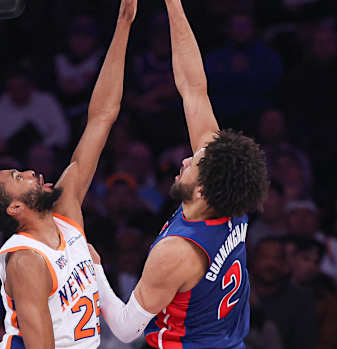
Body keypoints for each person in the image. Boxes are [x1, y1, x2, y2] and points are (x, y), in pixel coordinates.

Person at [87, 0, 269, 347]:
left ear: (202, 192)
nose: (185, 160)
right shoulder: (229, 193)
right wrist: (173, 5)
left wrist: (94, 269)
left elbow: (126, 329)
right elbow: (193, 88)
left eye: (192, 164)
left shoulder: (176, 252)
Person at [0, 0, 137, 347]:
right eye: (19, 178)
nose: (32, 173)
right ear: (14, 208)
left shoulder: (65, 212)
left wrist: (123, 23)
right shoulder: (25, 261)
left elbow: (102, 117)